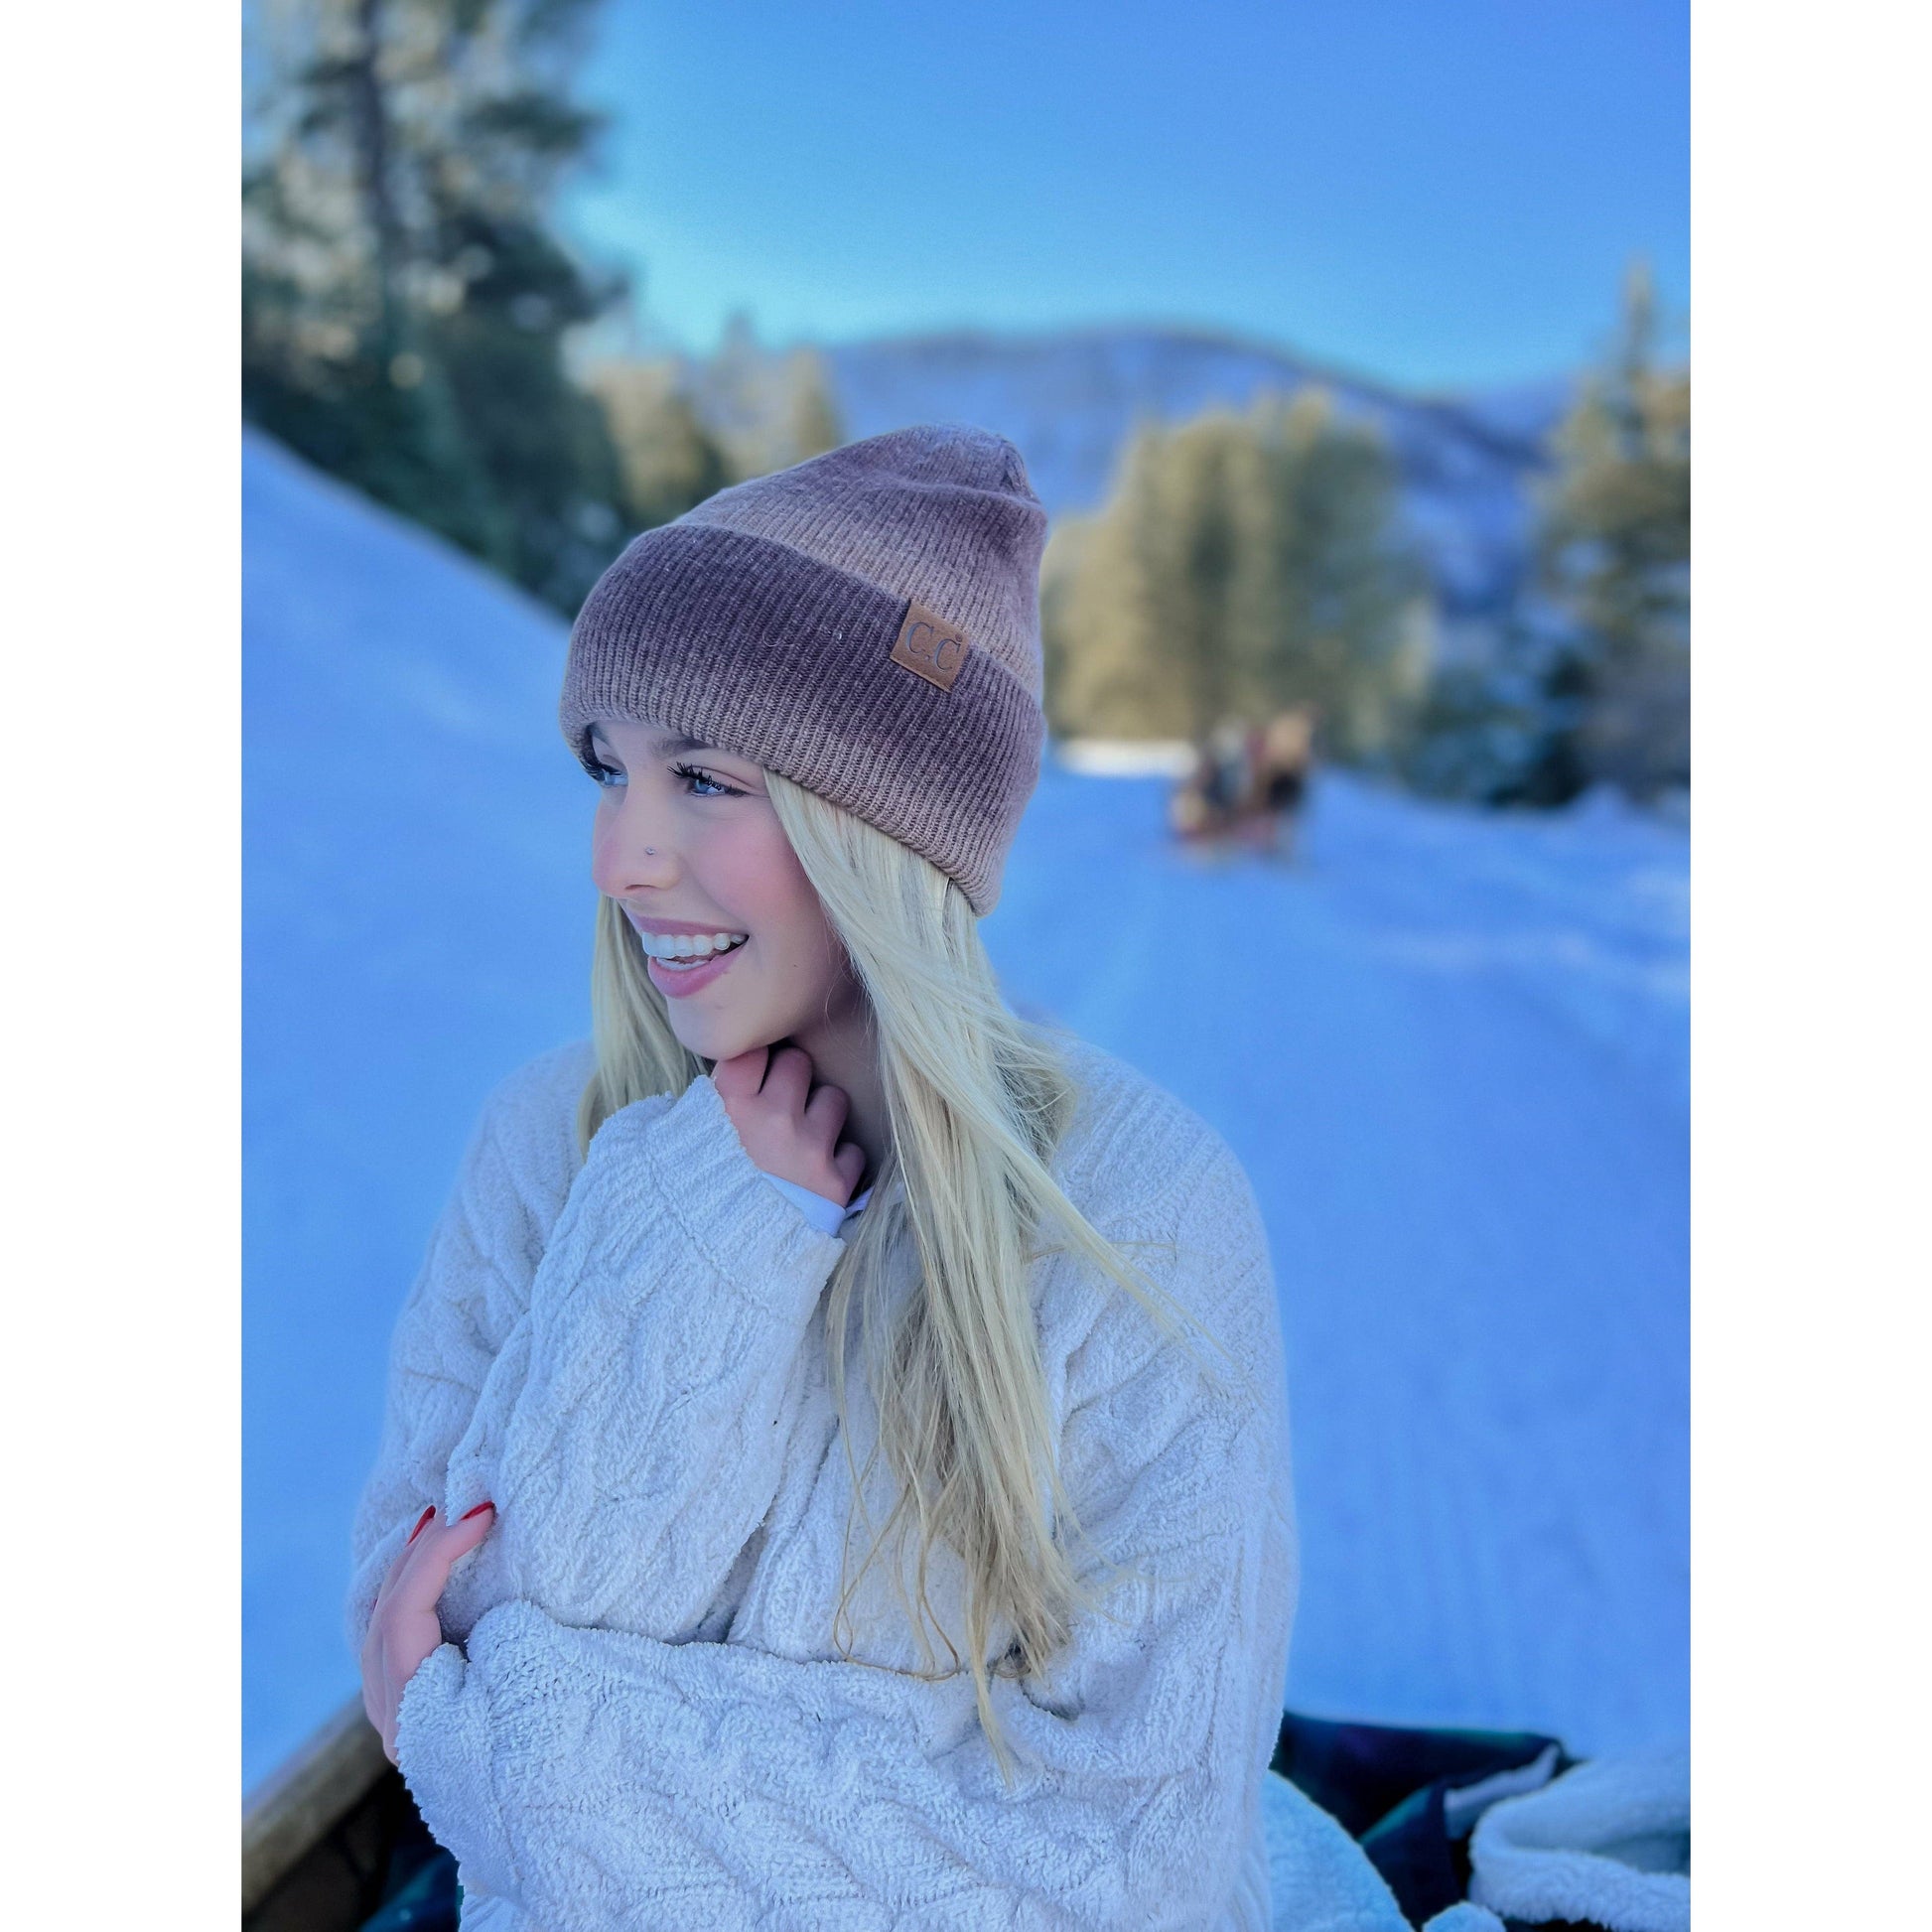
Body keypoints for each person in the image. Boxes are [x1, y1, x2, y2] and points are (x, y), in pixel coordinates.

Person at [345, 426, 1304, 1929]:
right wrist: (698, 1231)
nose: (620, 856)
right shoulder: (551, 1140)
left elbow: (1130, 1863)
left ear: (884, 829)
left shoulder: (1132, 1205)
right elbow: (406, 1614)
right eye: (611, 767)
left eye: (707, 777)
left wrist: (507, 1745)